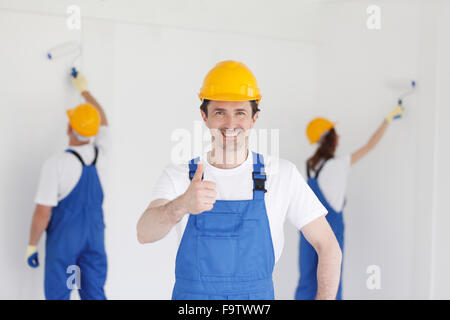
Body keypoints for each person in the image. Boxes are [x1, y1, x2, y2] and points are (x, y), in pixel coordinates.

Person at [137, 60, 342, 300]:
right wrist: (182, 205)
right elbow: (144, 233)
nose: (231, 124)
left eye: (240, 113)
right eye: (220, 112)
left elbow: (328, 246)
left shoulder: (281, 175)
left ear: (254, 118)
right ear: (204, 116)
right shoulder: (179, 175)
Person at [295, 105, 404, 300]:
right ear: (331, 137)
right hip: (331, 231)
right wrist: (386, 120)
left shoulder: (309, 166)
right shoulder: (338, 165)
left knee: (307, 281)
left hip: (307, 230)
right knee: (331, 281)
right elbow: (370, 145)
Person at [26, 72, 111, 300]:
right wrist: (85, 91)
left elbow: (42, 213)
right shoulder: (102, 154)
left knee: (58, 295)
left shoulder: (56, 164)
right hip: (94, 237)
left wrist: (32, 245)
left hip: (65, 240)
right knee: (94, 294)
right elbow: (102, 119)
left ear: (68, 128)